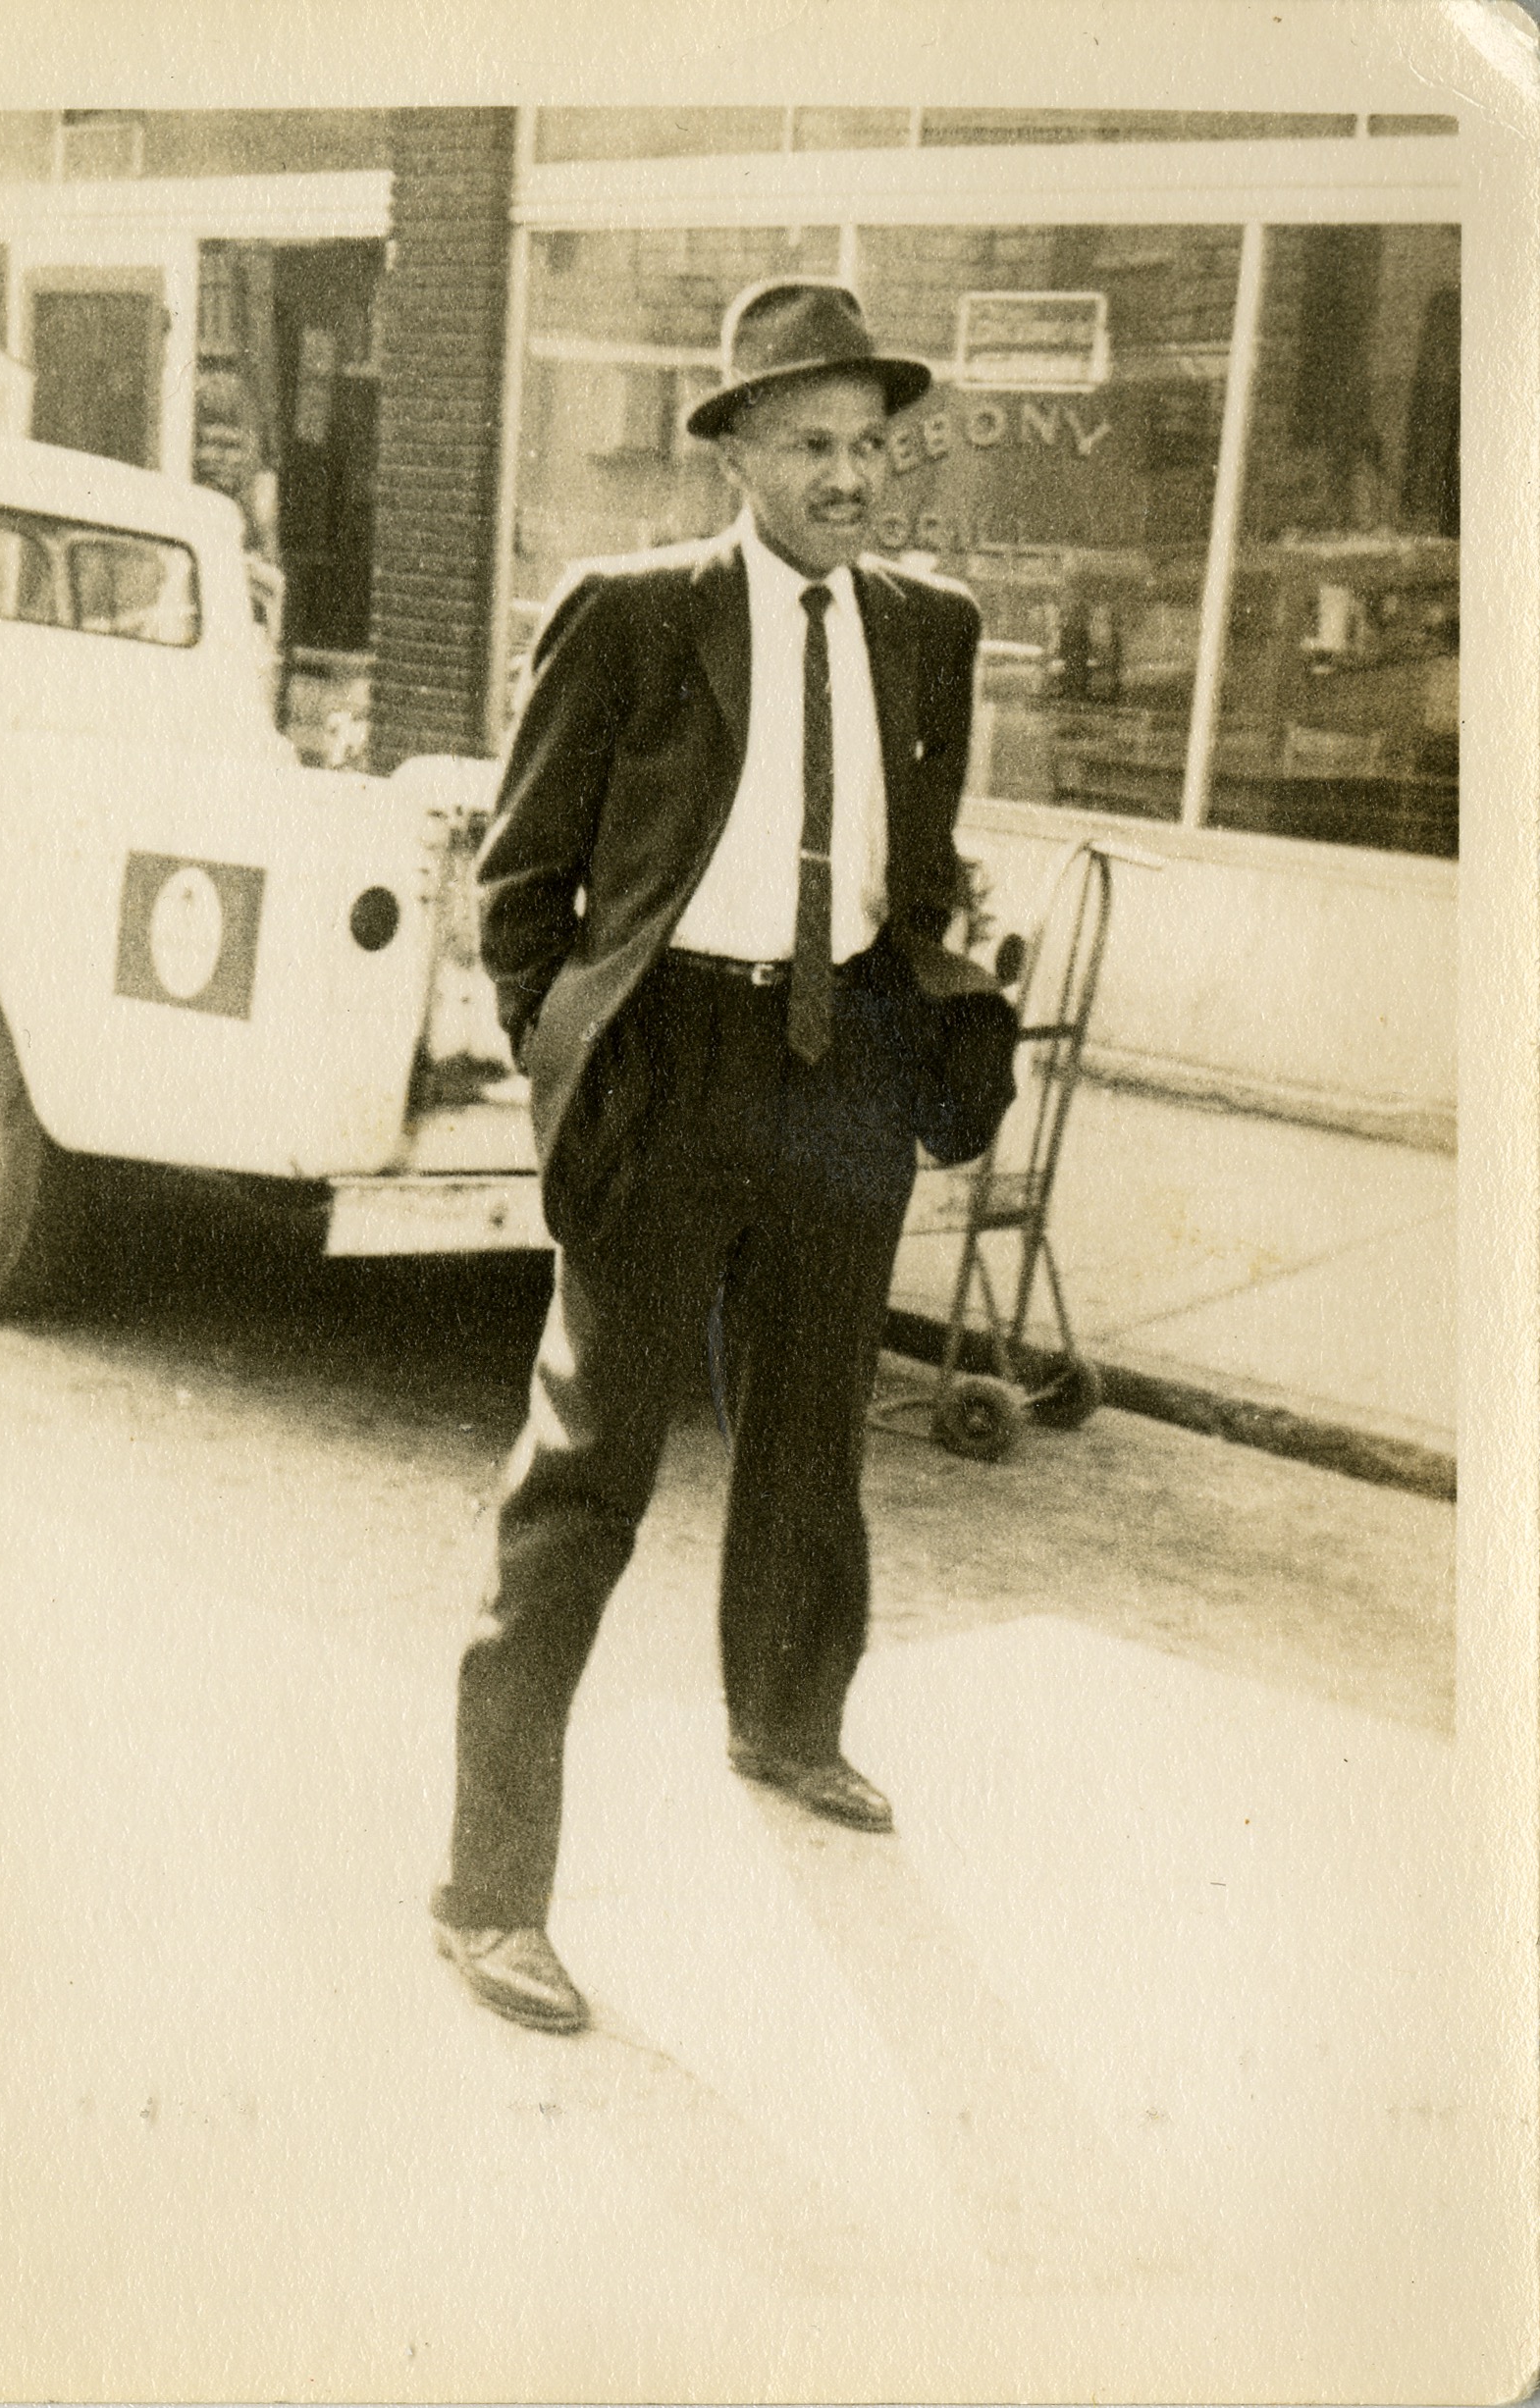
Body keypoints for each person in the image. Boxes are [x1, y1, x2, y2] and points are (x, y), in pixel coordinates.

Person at [431, 278, 1012, 2035]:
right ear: (736, 455)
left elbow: (919, 859)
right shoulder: (626, 615)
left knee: (815, 1421)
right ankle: (488, 1892)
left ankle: (784, 1720)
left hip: (839, 1065)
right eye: (813, 445)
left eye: (871, 446)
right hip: (669, 1064)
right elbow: (524, 883)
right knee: (589, 1469)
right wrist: (575, 1066)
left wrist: (921, 1007)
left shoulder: (930, 626)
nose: (853, 477)